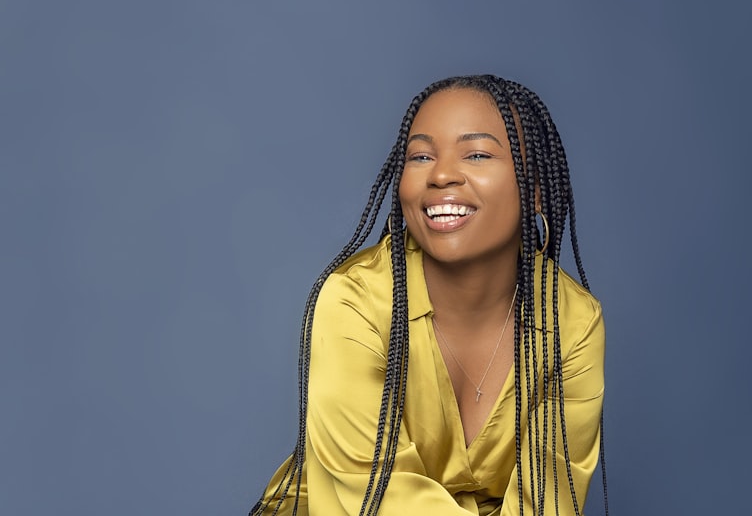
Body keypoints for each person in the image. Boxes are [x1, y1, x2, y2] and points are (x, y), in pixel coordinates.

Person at [249, 75, 607, 516]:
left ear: (535, 190)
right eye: (420, 156)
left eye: (476, 154)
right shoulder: (353, 302)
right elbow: (375, 498)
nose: (440, 175)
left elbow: (551, 502)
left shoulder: (571, 322)